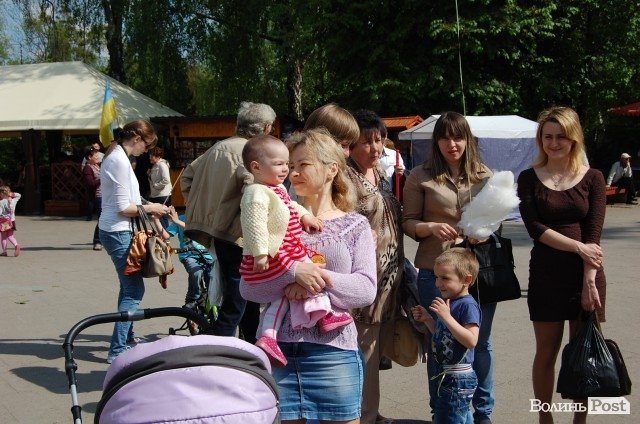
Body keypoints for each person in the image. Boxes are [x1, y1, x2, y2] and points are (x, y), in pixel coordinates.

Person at [240, 128, 377, 423]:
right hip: (279, 354)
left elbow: (365, 289)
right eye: (290, 165)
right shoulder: (270, 220)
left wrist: (315, 279)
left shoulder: (355, 225)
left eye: (303, 164)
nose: (292, 173)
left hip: (334, 354)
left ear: (331, 170)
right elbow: (248, 288)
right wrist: (292, 272)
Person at [402, 111, 495, 424]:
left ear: (468, 139)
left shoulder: (484, 175)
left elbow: (496, 220)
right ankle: (441, 409)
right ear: (436, 141)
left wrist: (483, 232)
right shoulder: (420, 175)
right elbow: (408, 222)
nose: (451, 144)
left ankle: (483, 412)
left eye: (458, 137)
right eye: (444, 138)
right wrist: (430, 227)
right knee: (439, 341)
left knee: (480, 343)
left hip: (477, 271)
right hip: (435, 271)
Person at [517, 106, 606, 424]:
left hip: (586, 276)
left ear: (573, 138)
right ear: (540, 140)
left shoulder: (593, 177)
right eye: (548, 137)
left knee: (582, 352)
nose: (554, 143)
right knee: (546, 353)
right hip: (546, 275)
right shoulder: (528, 178)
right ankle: (545, 419)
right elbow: (535, 229)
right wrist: (578, 247)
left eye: (561, 137)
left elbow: (593, 235)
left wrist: (589, 280)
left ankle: (580, 421)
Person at [239, 134, 352, 367]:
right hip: (277, 252)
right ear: (256, 167)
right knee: (310, 270)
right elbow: (253, 223)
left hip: (285, 250)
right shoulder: (256, 192)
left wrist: (305, 216)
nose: (287, 170)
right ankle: (324, 314)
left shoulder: (276, 189)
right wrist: (260, 253)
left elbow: (291, 205)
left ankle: (268, 335)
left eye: (289, 164)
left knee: (283, 297)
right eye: (281, 164)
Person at [181, 101, 276, 343]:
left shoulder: (218, 147)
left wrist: (208, 209)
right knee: (236, 301)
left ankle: (249, 345)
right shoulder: (252, 153)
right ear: (266, 127)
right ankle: (214, 346)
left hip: (219, 233)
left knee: (246, 297)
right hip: (239, 235)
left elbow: (187, 178)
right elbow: (254, 195)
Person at [347, 109, 404, 424]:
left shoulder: (379, 173)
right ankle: (362, 415)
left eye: (379, 140)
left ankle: (371, 410)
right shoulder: (346, 177)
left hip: (389, 274)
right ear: (351, 143)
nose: (375, 147)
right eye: (367, 141)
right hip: (365, 273)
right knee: (364, 348)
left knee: (375, 347)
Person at [99, 120, 170, 364]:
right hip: (117, 231)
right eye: (147, 145)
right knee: (134, 289)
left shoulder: (119, 158)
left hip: (118, 230)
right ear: (137, 138)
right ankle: (117, 350)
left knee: (127, 287)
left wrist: (152, 209)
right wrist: (153, 208)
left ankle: (127, 339)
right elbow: (124, 207)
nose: (146, 151)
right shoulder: (118, 161)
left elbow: (132, 198)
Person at [412, 248, 481, 424]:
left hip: (458, 378)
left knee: (447, 418)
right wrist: (428, 320)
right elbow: (445, 335)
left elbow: (471, 340)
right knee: (459, 418)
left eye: (445, 278)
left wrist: (447, 317)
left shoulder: (467, 305)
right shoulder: (451, 302)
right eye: (436, 277)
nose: (438, 283)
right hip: (447, 374)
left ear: (466, 280)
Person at [165, 206, 212, 307]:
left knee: (213, 277)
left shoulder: (206, 217)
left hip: (208, 255)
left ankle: (213, 298)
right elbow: (165, 235)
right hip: (190, 255)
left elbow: (196, 231)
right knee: (196, 272)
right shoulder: (181, 218)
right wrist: (156, 219)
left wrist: (177, 221)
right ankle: (192, 298)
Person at [147, 146, 173, 227]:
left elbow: (166, 179)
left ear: (157, 156)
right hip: (156, 194)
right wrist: (149, 175)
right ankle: (165, 233)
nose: (149, 158)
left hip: (162, 195)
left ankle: (165, 233)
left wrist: (156, 186)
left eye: (151, 156)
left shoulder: (162, 165)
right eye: (150, 156)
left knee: (161, 216)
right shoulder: (155, 165)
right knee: (160, 216)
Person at [83, 148, 103, 250]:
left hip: (104, 195)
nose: (98, 157)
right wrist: (102, 178)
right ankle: (97, 241)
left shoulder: (97, 165)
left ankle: (102, 240)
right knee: (102, 219)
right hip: (98, 196)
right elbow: (90, 184)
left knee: (104, 218)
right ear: (89, 157)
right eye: (95, 155)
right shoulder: (87, 168)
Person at [0, 186, 21, 257]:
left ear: (2, 194)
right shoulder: (13, 200)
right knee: (10, 236)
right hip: (11, 221)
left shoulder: (1, 202)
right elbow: (19, 195)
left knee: (3, 237)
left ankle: (4, 252)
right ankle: (16, 245)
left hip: (3, 222)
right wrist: (11, 194)